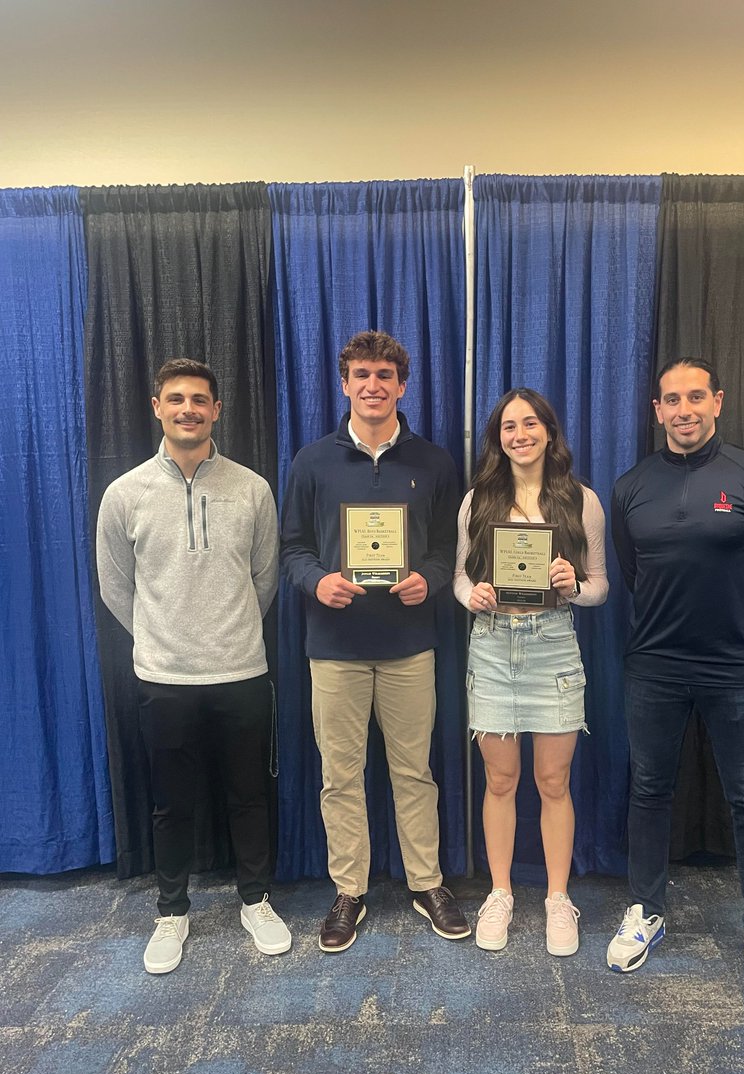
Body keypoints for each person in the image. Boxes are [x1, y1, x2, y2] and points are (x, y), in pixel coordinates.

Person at [606, 357, 744, 997]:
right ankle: (647, 910)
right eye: (670, 400)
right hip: (654, 666)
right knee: (650, 790)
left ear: (717, 401)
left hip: (736, 668)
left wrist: (733, 625)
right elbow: (634, 573)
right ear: (656, 411)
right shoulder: (631, 487)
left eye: (695, 397)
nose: (683, 410)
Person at [96, 358, 290, 975]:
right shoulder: (124, 494)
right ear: (156, 407)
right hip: (164, 677)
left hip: (240, 671)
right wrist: (166, 636)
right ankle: (172, 912)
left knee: (248, 796)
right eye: (176, 398)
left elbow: (264, 582)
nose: (188, 409)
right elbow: (115, 588)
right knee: (170, 804)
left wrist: (222, 632)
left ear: (217, 411)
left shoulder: (252, 489)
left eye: (200, 400)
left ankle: (256, 902)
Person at [280, 330, 470, 952]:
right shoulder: (311, 462)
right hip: (332, 646)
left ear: (401, 385)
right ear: (344, 384)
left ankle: (426, 882)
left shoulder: (435, 463)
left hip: (410, 644)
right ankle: (349, 890)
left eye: (384, 375)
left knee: (414, 772)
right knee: (340, 776)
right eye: (361, 374)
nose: (372, 385)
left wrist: (432, 580)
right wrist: (316, 582)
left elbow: (449, 550)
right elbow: (291, 550)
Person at [454, 388, 608, 956]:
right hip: (493, 649)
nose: (519, 435)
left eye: (530, 424)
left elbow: (600, 586)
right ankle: (500, 892)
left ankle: (556, 899)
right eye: (508, 427)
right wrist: (475, 595)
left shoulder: (581, 500)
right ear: (498, 437)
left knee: (552, 783)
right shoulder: (476, 501)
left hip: (554, 646)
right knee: (500, 781)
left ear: (549, 430)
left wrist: (574, 587)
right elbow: (457, 579)